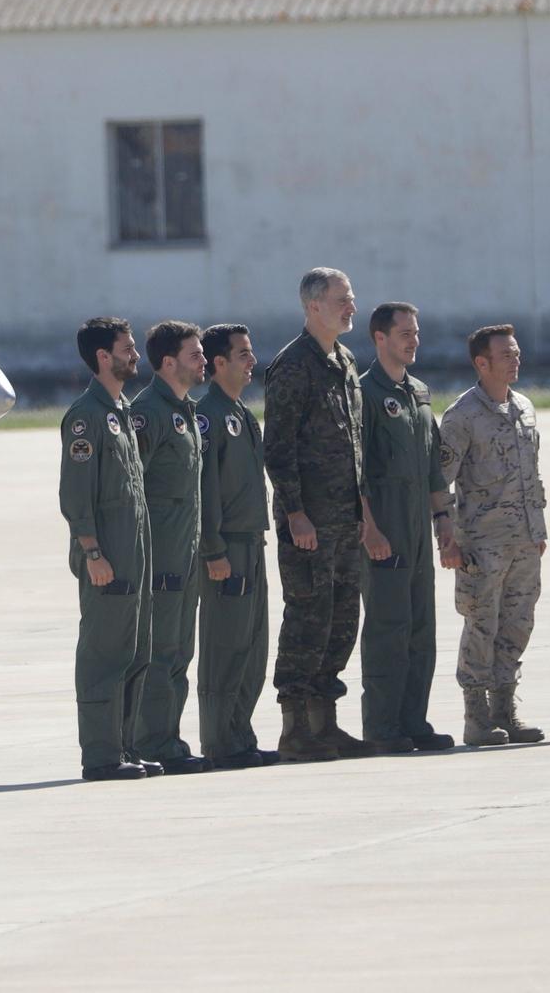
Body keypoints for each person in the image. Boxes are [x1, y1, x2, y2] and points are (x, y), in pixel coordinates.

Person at [262, 268, 370, 762]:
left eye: (350, 298)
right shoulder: (293, 366)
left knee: (342, 617)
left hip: (345, 520)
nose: (351, 306)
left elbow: (355, 447)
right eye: (341, 299)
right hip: (308, 522)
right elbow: (278, 448)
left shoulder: (345, 361)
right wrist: (295, 513)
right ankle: (294, 728)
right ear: (313, 307)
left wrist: (364, 513)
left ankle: (325, 722)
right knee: (307, 616)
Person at [439, 324, 549, 746]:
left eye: (516, 352)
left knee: (517, 624)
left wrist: (537, 529)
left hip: (524, 540)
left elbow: (532, 475)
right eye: (506, 354)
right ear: (481, 363)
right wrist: (448, 539)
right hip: (481, 544)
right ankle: (477, 716)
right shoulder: (462, 416)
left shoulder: (524, 407)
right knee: (481, 625)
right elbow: (441, 481)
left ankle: (505, 709)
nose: (515, 359)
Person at [58, 316, 157, 780]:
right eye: (126, 348)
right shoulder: (87, 417)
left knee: (135, 653)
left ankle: (124, 747)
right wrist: (92, 552)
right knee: (104, 654)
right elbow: (76, 494)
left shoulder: (119, 411)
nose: (134, 355)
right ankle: (100, 756)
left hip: (133, 551)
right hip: (107, 556)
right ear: (103, 357)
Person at [358, 302, 455, 754]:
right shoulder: (364, 395)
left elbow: (432, 465)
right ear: (380, 338)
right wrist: (369, 529)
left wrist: (443, 522)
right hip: (385, 528)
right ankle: (382, 725)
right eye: (404, 334)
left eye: (416, 333)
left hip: (418, 527)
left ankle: (413, 719)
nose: (413, 340)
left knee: (420, 629)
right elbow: (354, 473)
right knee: (387, 630)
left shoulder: (418, 392)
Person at [128, 320, 211, 775]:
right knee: (159, 653)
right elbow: (131, 487)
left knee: (179, 651)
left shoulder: (185, 410)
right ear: (168, 362)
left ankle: (171, 739)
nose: (202, 360)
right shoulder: (149, 413)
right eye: (194, 354)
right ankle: (153, 741)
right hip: (159, 554)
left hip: (186, 551)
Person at [195, 324, 276, 770]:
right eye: (242, 354)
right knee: (224, 647)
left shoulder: (242, 414)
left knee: (252, 646)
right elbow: (205, 490)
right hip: (226, 548)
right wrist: (213, 550)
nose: (251, 361)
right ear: (218, 363)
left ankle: (240, 734)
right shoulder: (207, 415)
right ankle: (219, 741)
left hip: (252, 541)